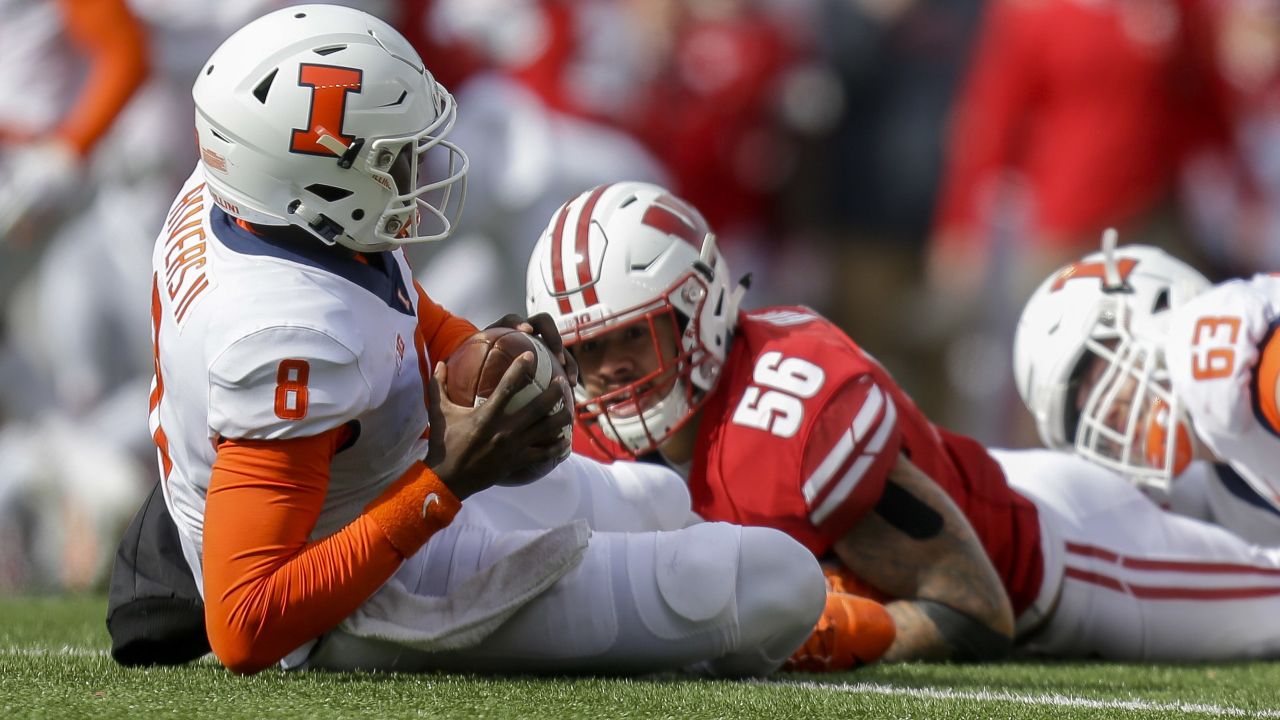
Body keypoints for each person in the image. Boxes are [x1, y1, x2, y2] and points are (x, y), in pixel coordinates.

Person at [132, 4, 824, 676]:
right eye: (397, 155)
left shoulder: (259, 194)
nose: (422, 169)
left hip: (385, 488)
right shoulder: (287, 339)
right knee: (775, 581)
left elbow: (389, 307)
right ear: (317, 182)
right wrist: (446, 483)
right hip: (361, 596)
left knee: (662, 499)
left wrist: (482, 352)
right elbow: (246, 627)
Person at [526, 181, 1280, 666]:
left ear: (701, 313)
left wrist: (832, 637)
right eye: (587, 349)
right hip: (991, 480)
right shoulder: (586, 433)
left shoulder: (794, 417)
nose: (611, 371)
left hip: (1064, 559)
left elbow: (976, 610)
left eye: (634, 335)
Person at [1014, 231, 1280, 545]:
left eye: (1097, 379)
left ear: (1158, 304)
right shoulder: (1229, 500)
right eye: (1081, 417)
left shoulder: (1245, 362)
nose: (1105, 415)